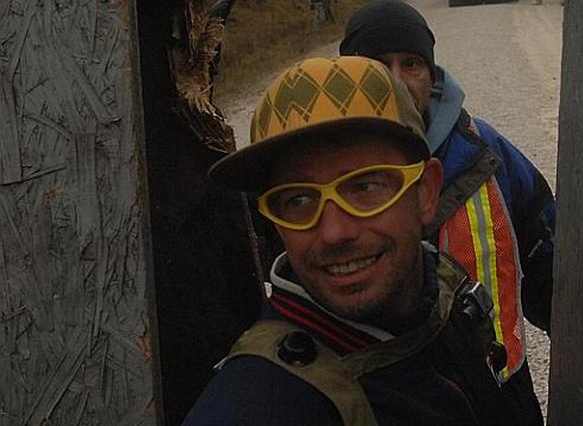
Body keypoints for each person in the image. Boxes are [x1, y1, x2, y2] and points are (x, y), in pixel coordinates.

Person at [184, 56, 532, 425]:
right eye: (298, 200)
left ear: (427, 192)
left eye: (365, 187)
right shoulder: (256, 405)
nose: (335, 233)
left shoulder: (445, 299)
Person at [340, 0, 555, 425]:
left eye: (412, 64)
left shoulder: (485, 153)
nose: (397, 81)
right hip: (378, 408)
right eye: (378, 65)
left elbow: (551, 265)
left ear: (432, 76)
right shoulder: (317, 171)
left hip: (498, 399)